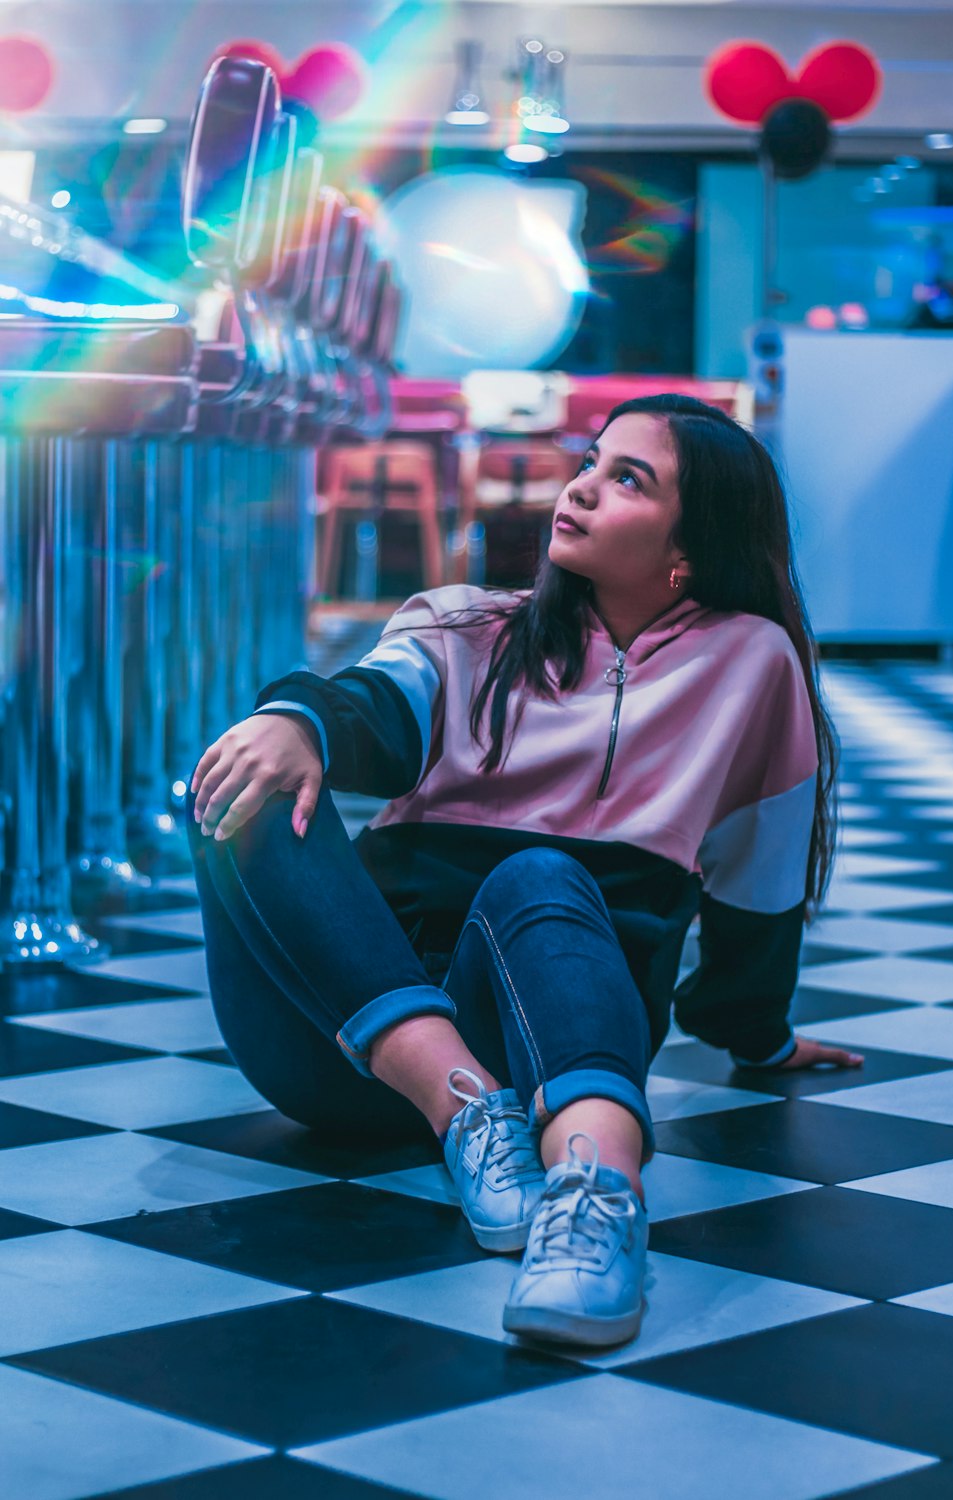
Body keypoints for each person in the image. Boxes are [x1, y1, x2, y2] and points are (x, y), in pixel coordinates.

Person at [185, 392, 862, 1352]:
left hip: (554, 1053)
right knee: (236, 784)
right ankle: (465, 1116)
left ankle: (594, 1200)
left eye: (628, 478)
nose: (581, 487)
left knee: (537, 878)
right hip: (339, 1043)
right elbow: (375, 710)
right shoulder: (467, 627)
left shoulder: (751, 664)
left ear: (693, 544)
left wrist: (758, 1033)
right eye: (590, 461)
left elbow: (759, 882)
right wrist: (294, 719)